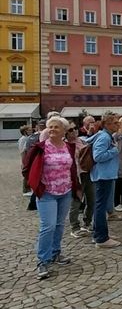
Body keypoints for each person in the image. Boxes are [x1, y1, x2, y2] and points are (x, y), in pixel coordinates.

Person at [22, 116, 81, 279]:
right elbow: (26, 167)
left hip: (65, 191)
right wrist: (33, 184)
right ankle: (43, 261)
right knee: (47, 226)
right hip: (47, 192)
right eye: (50, 127)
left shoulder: (69, 146)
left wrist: (75, 186)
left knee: (60, 224)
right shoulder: (40, 147)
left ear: (63, 130)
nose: (53, 129)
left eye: (56, 127)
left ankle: (56, 253)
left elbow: (72, 168)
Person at [87, 112, 122, 247]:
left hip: (105, 175)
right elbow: (98, 156)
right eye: (115, 123)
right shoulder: (104, 137)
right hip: (103, 176)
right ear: (107, 124)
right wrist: (114, 150)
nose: (118, 125)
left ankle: (99, 233)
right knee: (100, 207)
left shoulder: (107, 136)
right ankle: (101, 238)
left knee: (100, 205)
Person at [66, 122, 94, 239]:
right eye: (70, 130)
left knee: (92, 199)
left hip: (87, 173)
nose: (74, 131)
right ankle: (75, 227)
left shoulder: (82, 141)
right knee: (76, 201)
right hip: (75, 176)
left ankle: (87, 223)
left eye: (75, 128)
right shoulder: (65, 145)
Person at [18, 124, 33, 196]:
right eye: (29, 130)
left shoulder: (26, 138)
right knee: (26, 173)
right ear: (25, 131)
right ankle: (26, 189)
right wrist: (23, 160)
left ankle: (28, 188)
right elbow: (22, 150)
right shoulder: (24, 139)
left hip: (26, 157)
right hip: (24, 157)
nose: (31, 131)